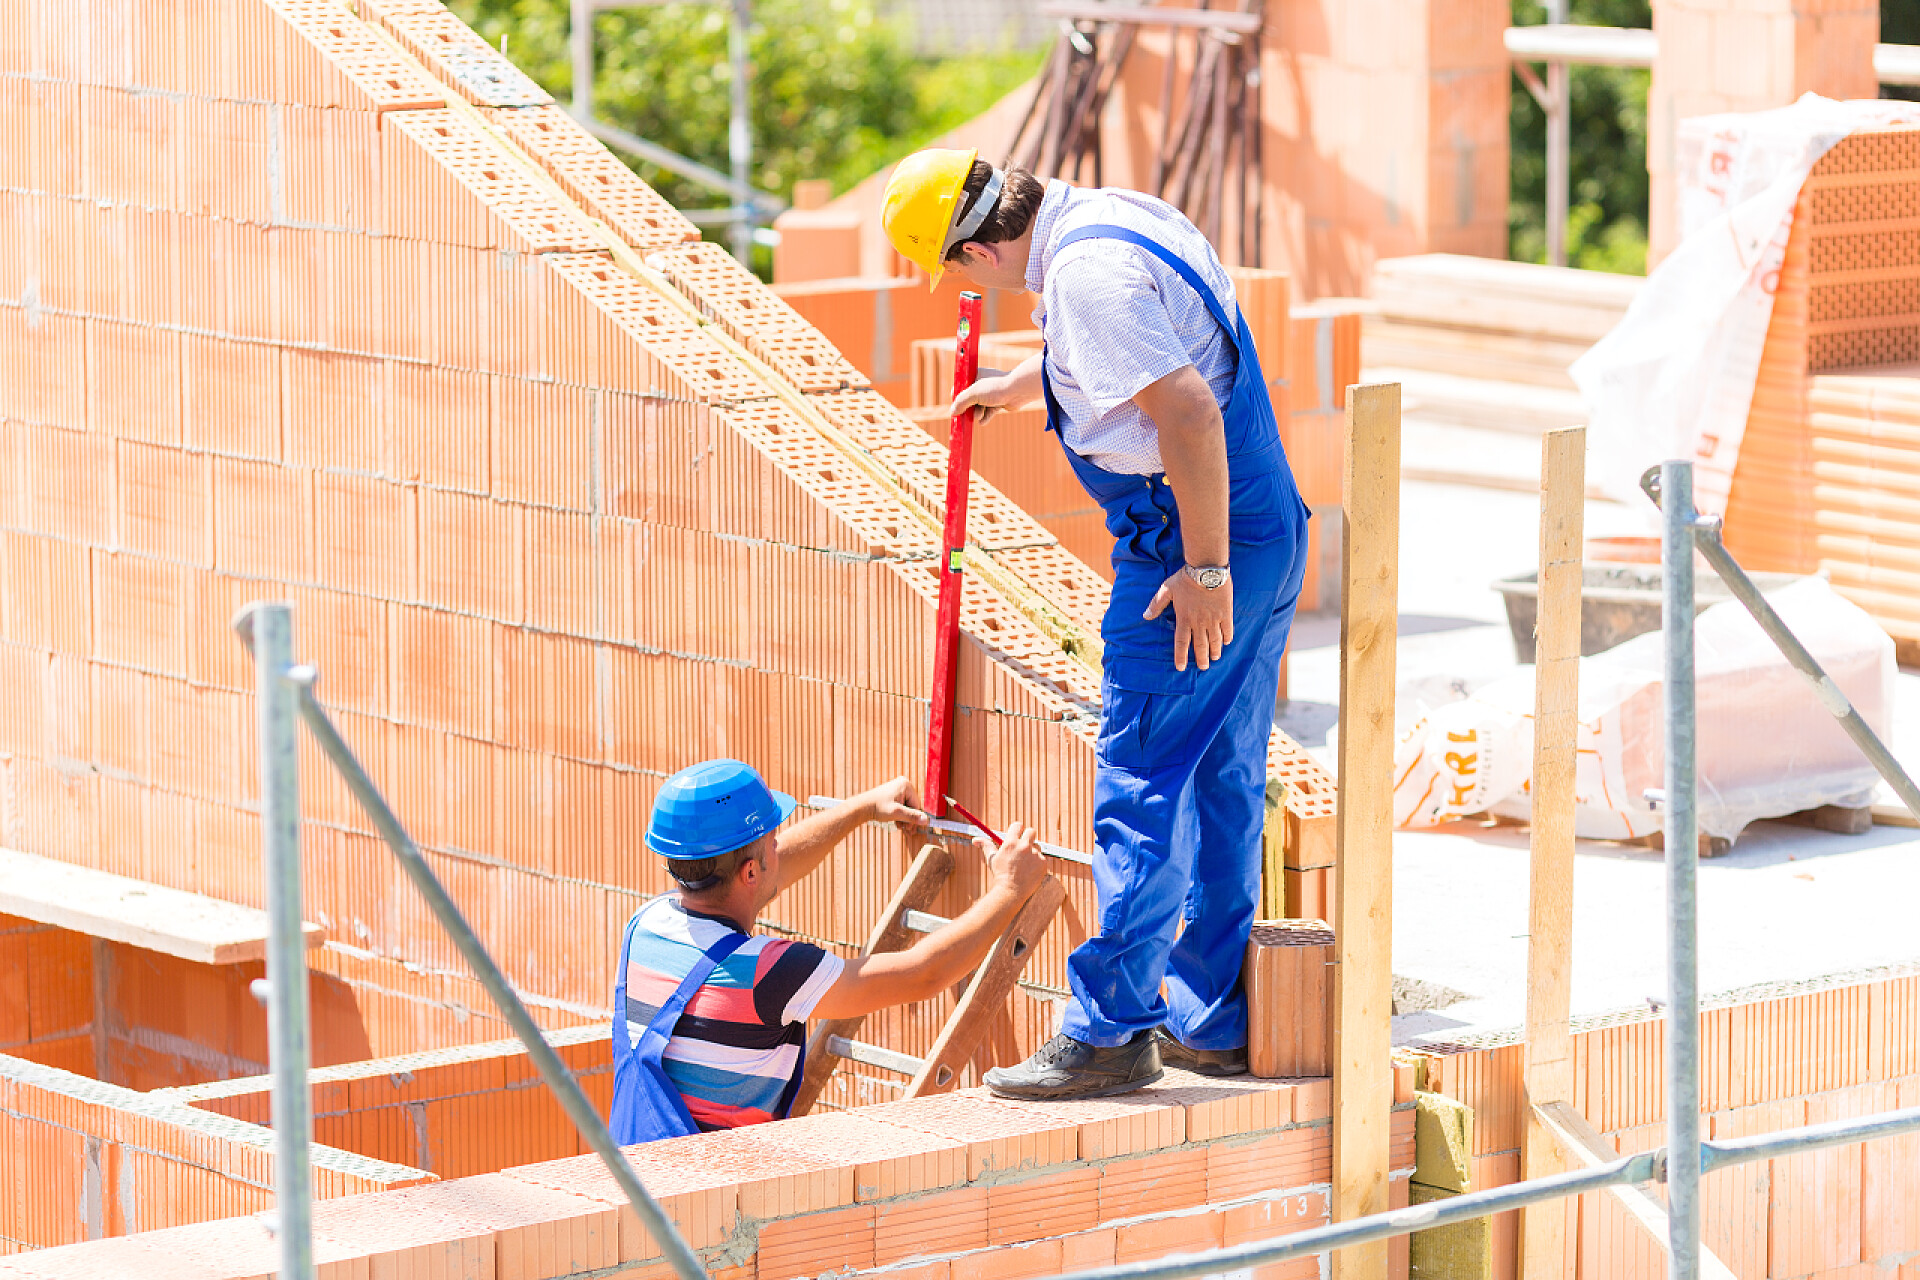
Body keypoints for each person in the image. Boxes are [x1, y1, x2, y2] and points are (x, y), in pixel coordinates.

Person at [879, 150, 1310, 1100]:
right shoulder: (1106, 217)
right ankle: (1213, 1018)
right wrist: (1034, 381)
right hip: (1265, 526)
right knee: (1222, 772)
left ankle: (1112, 1030)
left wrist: (1202, 571)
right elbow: (1163, 353)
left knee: (1144, 779)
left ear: (977, 253)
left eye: (953, 271)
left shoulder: (1082, 277)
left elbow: (1189, 416)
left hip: (1191, 544)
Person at [610, 758, 1045, 1141]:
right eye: (773, 843)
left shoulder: (646, 926)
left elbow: (767, 874)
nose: (780, 848)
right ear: (748, 873)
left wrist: (862, 808)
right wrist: (1009, 888)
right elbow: (922, 974)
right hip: (707, 1209)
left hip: (636, 1181)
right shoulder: (770, 973)